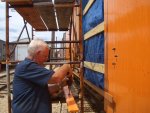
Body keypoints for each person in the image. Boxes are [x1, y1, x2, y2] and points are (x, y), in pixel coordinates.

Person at [12, 39, 73, 113]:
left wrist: (60, 85)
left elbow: (40, 90)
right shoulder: (27, 66)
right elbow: (56, 78)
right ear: (38, 53)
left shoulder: (29, 67)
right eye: (45, 56)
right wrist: (66, 66)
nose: (46, 59)